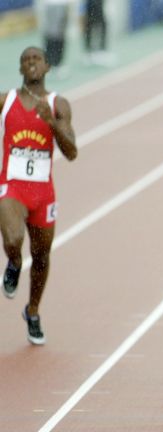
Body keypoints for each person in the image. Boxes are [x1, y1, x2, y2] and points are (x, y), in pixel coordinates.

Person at [0, 46, 78, 345]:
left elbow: (71, 152)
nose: (31, 63)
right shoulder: (6, 101)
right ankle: (14, 263)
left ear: (47, 67)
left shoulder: (59, 104)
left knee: (42, 256)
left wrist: (52, 123)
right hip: (13, 185)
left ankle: (32, 311)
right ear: (20, 68)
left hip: (43, 192)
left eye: (36, 59)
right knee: (13, 238)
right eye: (26, 60)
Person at [41, 0, 72, 78]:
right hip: (54, 4)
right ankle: (52, 64)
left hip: (60, 4)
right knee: (54, 33)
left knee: (58, 33)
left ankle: (55, 64)